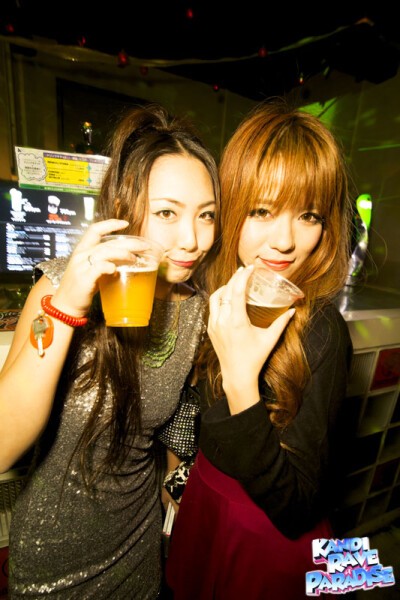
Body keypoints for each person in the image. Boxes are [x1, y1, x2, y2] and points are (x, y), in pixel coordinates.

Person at [0, 103, 220, 599]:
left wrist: (176, 487)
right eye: (167, 213)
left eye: (206, 215)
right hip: (52, 554)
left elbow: (171, 422)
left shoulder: (197, 310)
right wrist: (68, 304)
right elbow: (2, 446)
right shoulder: (59, 286)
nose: (192, 240)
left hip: (139, 542)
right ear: (124, 208)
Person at [164, 98, 354, 599]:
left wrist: (241, 381)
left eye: (308, 215)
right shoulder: (220, 298)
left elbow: (298, 506)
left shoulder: (324, 330)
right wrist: (176, 474)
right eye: (263, 211)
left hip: (267, 537)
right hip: (206, 503)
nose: (285, 241)